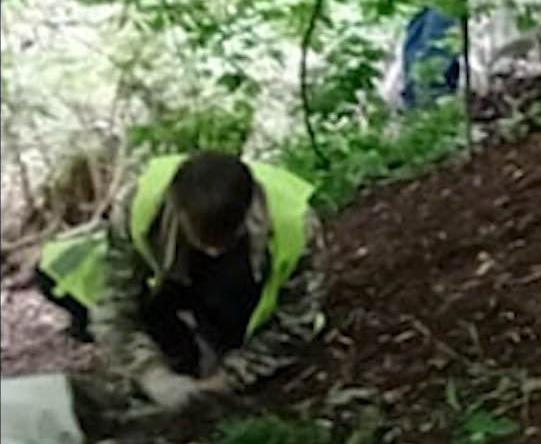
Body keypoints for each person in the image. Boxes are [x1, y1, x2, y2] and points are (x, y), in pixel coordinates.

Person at [33, 152, 328, 412]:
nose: (213, 250)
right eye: (204, 240)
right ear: (176, 208)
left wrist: (229, 378)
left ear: (249, 211)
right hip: (165, 273)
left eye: (224, 239)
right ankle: (179, 356)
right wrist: (151, 375)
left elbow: (295, 323)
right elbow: (115, 307)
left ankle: (216, 344)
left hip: (242, 277)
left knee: (227, 300)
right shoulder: (138, 206)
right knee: (158, 341)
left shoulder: (296, 225)